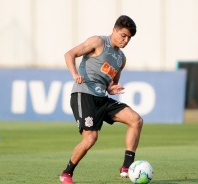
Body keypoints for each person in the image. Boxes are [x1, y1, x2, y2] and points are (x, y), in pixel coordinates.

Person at [60, 15, 143, 184]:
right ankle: (66, 173)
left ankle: (127, 166)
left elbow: (112, 84)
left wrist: (111, 88)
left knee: (136, 120)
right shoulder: (98, 42)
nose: (126, 40)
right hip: (84, 94)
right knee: (90, 138)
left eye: (129, 38)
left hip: (102, 98)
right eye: (123, 35)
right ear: (114, 30)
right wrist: (75, 74)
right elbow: (70, 54)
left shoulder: (121, 59)